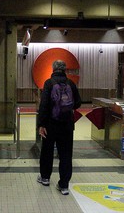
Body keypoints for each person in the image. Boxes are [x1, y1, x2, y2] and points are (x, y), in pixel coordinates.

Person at [37, 60, 81, 195]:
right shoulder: (71, 83)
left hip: (51, 124)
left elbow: (43, 105)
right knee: (66, 154)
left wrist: (41, 124)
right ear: (64, 70)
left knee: (47, 151)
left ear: (53, 69)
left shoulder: (49, 83)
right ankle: (64, 185)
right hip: (67, 125)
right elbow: (78, 103)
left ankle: (45, 178)